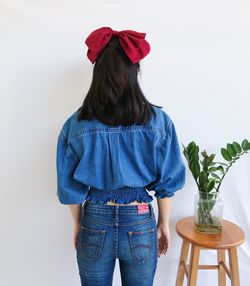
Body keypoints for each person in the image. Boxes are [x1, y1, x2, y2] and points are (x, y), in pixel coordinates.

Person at [56, 26, 186, 286]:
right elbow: (166, 183)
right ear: (134, 73)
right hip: (140, 220)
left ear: (98, 75)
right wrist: (163, 223)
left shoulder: (76, 124)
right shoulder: (159, 122)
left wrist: (78, 224)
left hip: (94, 219)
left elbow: (70, 187)